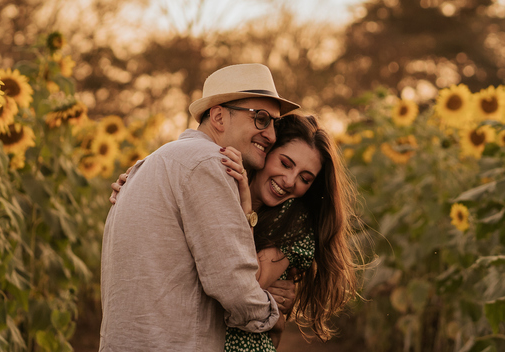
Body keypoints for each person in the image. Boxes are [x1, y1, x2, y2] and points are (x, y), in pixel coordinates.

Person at [112, 114, 358, 351]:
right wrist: (138, 183)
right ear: (266, 152)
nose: (290, 181)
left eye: (305, 178)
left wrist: (247, 210)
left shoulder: (293, 222)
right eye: (285, 164)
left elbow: (245, 285)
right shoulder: (220, 184)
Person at [99, 63, 301, 352]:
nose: (271, 135)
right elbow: (234, 287)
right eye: (261, 119)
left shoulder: (148, 165)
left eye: (274, 124)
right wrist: (272, 310)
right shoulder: (209, 164)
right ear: (218, 117)